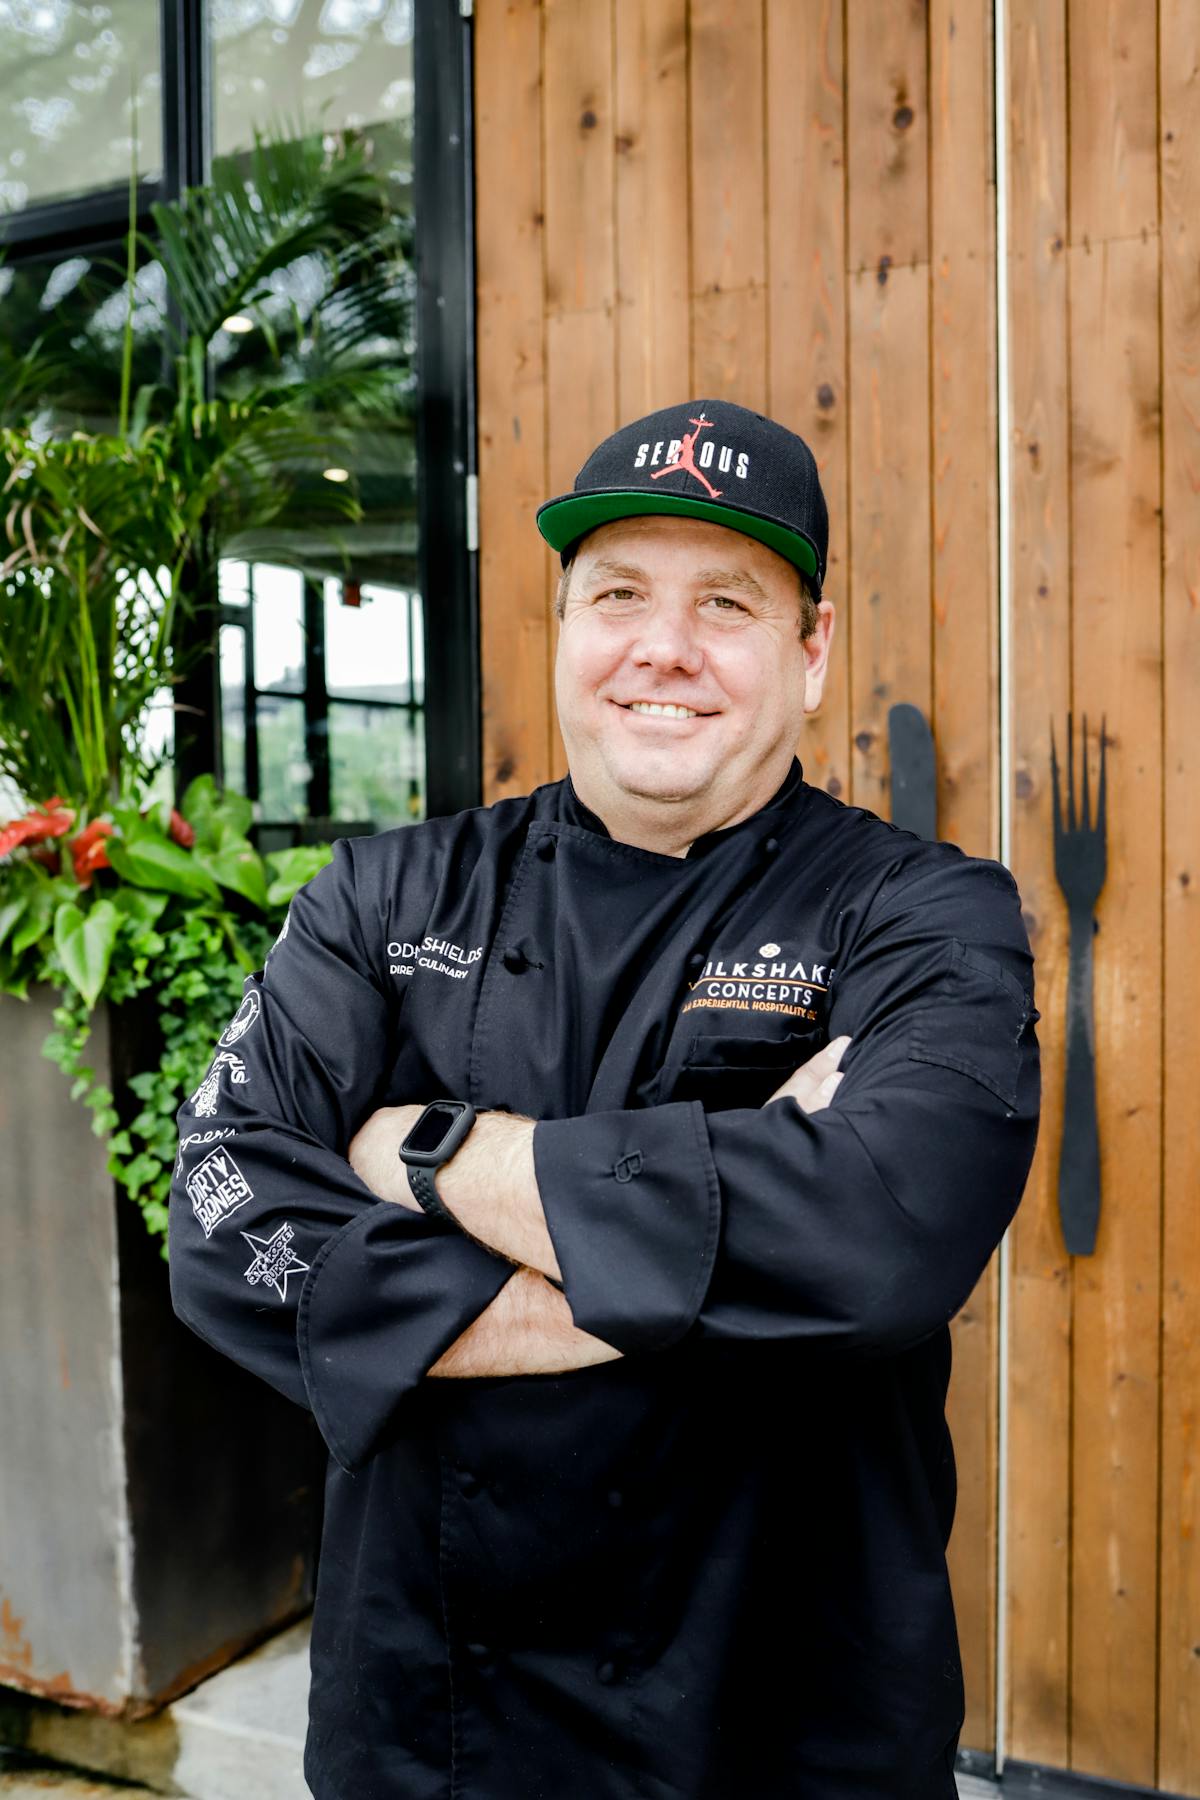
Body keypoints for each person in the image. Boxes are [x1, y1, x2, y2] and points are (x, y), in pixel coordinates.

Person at [169, 398, 1040, 1800]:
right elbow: (225, 1228)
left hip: (787, 1725)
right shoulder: (386, 897)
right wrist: (735, 1192)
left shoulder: (923, 916)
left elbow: (875, 1244)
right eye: (618, 594)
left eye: (728, 605)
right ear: (565, 628)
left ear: (811, 650)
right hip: (432, 1728)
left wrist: (435, 1151)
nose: (664, 648)